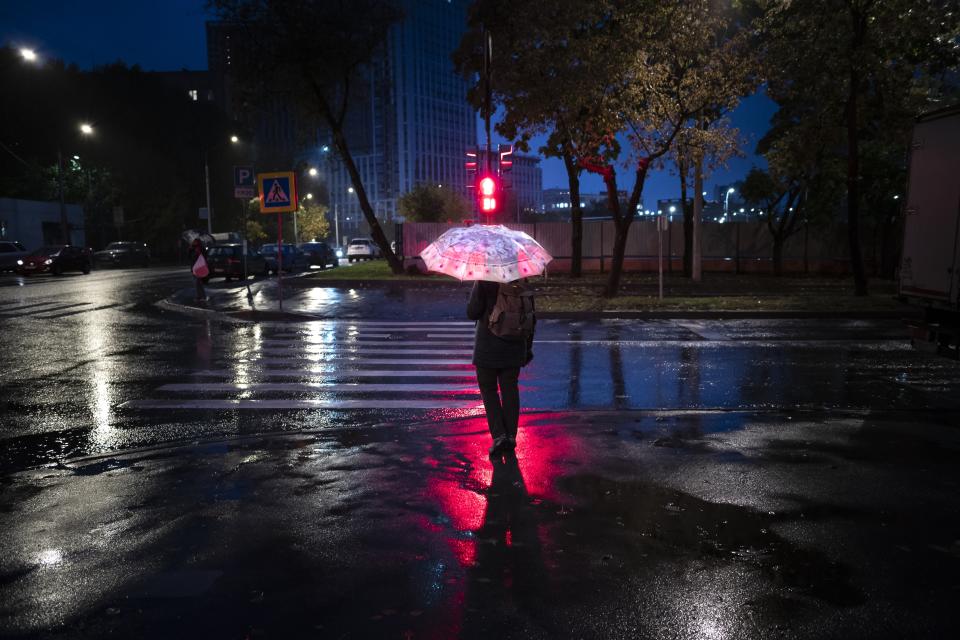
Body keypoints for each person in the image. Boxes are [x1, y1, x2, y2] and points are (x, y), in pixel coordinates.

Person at [467, 279, 535, 457]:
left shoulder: (483, 280)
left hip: (487, 346)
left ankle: (499, 436)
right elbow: (530, 317)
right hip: (515, 346)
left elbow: (472, 312)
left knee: (488, 389)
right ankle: (511, 436)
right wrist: (527, 348)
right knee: (510, 389)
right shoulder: (522, 281)